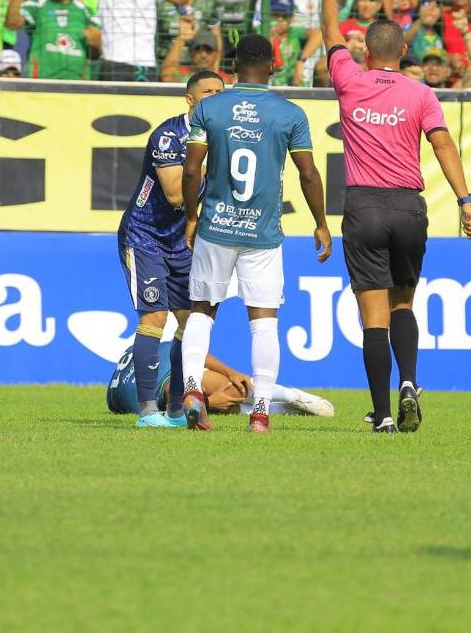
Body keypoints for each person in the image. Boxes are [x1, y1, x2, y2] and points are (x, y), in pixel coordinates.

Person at [319, 0, 471, 433]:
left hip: (364, 205)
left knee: (373, 317)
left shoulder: (350, 81)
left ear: (367, 52)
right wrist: (465, 200)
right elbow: (444, 145)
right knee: (404, 304)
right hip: (409, 205)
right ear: (403, 54)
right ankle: (410, 381)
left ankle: (383, 415)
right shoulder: (421, 93)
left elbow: (329, 33)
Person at [179, 34, 331, 432]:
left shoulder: (210, 108)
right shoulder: (289, 113)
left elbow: (192, 170)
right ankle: (260, 413)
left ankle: (193, 390)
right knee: (263, 321)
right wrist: (322, 222)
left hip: (216, 225)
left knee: (202, 311)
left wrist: (191, 217)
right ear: (272, 67)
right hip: (262, 232)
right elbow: (309, 174)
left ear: (231, 68)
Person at [116, 71, 225, 427]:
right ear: (190, 99)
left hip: (185, 242)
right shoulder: (168, 136)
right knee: (154, 319)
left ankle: (176, 410)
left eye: (220, 92)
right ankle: (148, 410)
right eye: (207, 91)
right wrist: (217, 166)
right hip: (145, 236)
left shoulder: (225, 138)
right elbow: (177, 194)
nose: (214, 96)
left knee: (189, 324)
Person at [106, 340, 336, 417]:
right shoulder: (148, 401)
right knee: (216, 405)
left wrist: (230, 372)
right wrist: (206, 404)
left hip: (145, 371)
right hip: (136, 375)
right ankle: (283, 410)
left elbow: (194, 352)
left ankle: (293, 395)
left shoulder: (164, 358)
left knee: (233, 390)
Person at [5, 0, 101, 79]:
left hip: (77, 85)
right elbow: (12, 24)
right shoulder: (36, 5)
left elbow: (95, 55)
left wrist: (97, 44)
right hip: (43, 83)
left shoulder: (85, 12)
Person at [162, 23, 228, 82]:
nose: (203, 55)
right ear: (190, 52)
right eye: (198, 49)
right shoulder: (183, 73)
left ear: (216, 53)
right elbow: (166, 78)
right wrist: (181, 38)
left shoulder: (225, 79)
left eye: (208, 49)